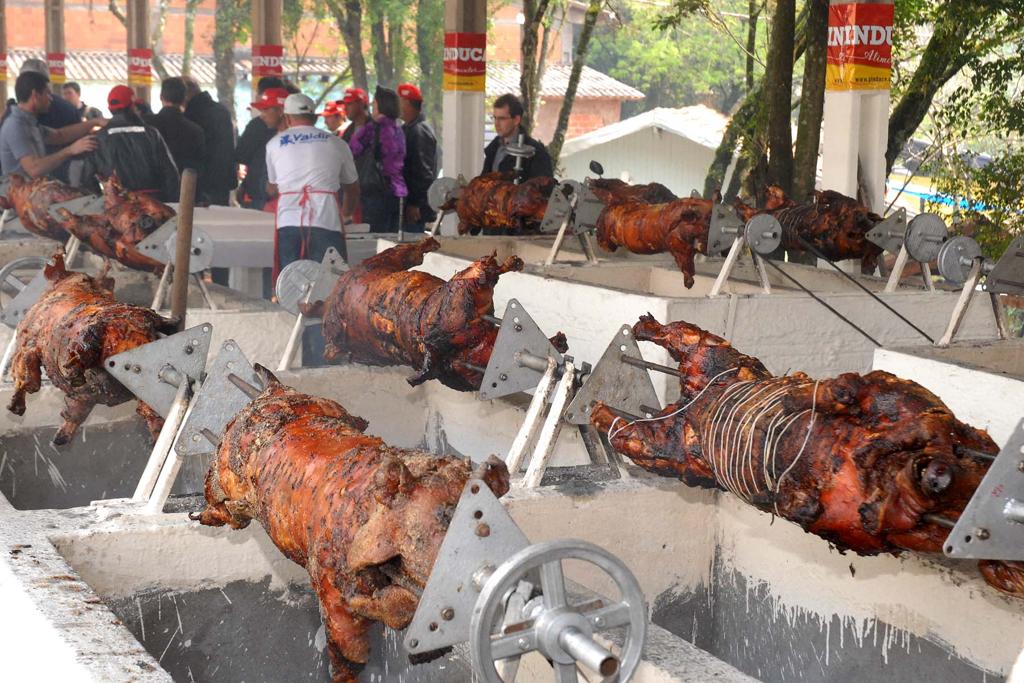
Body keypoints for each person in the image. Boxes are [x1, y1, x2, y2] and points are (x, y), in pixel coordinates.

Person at [265, 92, 359, 269]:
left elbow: (272, 186)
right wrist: (346, 214)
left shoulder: (273, 144)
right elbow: (352, 187)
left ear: (287, 118)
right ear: (315, 118)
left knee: (291, 284)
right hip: (327, 219)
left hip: (289, 221)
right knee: (329, 283)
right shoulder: (337, 143)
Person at [79, 85, 179, 202]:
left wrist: (104, 203)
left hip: (117, 206)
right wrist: (171, 205)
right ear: (132, 106)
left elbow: (87, 180)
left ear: (110, 109)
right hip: (153, 204)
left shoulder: (98, 138)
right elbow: (171, 174)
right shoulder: (151, 134)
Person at [0, 71, 103, 178]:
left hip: (37, 189)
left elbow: (60, 135)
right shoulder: (15, 126)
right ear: (35, 95)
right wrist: (70, 150)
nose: (51, 98)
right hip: (18, 192)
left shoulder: (30, 122)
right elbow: (34, 169)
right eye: (47, 93)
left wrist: (94, 122)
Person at [348, 86, 406, 233]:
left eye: (374, 104)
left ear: (380, 105)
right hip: (398, 192)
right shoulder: (398, 128)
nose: (372, 108)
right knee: (392, 241)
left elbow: (352, 149)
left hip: (375, 191)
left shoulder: (372, 128)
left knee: (376, 240)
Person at [182, 76, 237, 205]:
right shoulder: (222, 110)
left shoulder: (192, 115)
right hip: (224, 180)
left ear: (185, 95)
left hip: (203, 183)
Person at [236, 78, 288, 210]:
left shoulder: (292, 141)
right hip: (260, 200)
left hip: (280, 206)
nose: (262, 115)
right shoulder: (274, 136)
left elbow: (241, 154)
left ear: (281, 111)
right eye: (262, 110)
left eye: (266, 109)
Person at [145, 77, 206, 188]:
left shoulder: (147, 126)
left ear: (161, 97)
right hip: (184, 191)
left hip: (154, 191)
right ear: (184, 99)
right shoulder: (195, 130)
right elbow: (199, 167)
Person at [397, 83, 438, 233]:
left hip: (416, 209)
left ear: (407, 104)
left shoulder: (419, 131)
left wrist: (415, 203)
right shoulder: (407, 128)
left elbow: (423, 172)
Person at [483, 93, 553, 181]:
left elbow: (543, 187)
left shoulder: (536, 153)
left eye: (502, 118)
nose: (496, 124)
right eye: (495, 118)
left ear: (516, 120)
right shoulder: (494, 148)